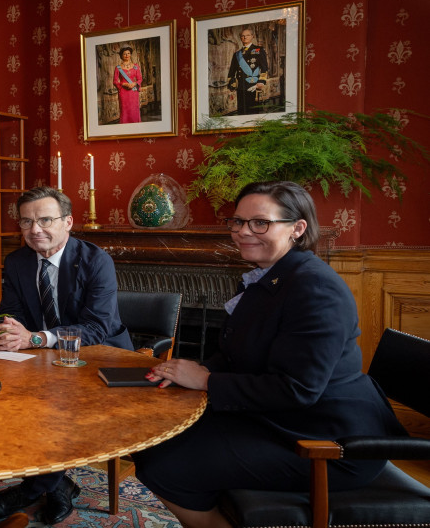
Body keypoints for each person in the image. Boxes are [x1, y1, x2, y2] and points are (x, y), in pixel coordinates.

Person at [133, 181, 406, 528]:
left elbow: (298, 389)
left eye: (260, 222)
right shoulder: (269, 276)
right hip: (281, 420)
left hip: (330, 442)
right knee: (154, 437)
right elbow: (237, 354)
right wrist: (188, 370)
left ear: (297, 228)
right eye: (238, 221)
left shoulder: (316, 288)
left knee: (165, 463)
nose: (244, 231)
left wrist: (207, 381)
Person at [0, 186, 132, 525]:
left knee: (55, 404)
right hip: (41, 358)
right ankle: (58, 485)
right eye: (26, 222)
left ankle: (30, 490)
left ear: (67, 222)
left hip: (98, 357)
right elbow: (11, 313)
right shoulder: (17, 261)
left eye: (45, 220)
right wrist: (8, 330)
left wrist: (36, 338)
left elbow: (97, 328)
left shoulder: (95, 260)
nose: (35, 229)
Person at [226, 28, 269, 115]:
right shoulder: (237, 54)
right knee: (242, 111)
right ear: (240, 38)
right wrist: (231, 83)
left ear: (252, 36)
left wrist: (261, 81)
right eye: (243, 36)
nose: (245, 37)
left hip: (253, 85)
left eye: (247, 35)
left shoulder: (258, 50)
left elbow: (264, 68)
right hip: (240, 86)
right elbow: (232, 71)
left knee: (252, 111)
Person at [112, 46, 142, 123]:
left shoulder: (135, 66)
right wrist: (124, 84)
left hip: (133, 91)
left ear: (130, 54)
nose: (127, 55)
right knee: (124, 111)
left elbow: (139, 79)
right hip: (123, 92)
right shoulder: (118, 68)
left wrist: (135, 83)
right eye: (125, 54)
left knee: (134, 110)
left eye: (128, 53)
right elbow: (115, 81)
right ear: (121, 55)